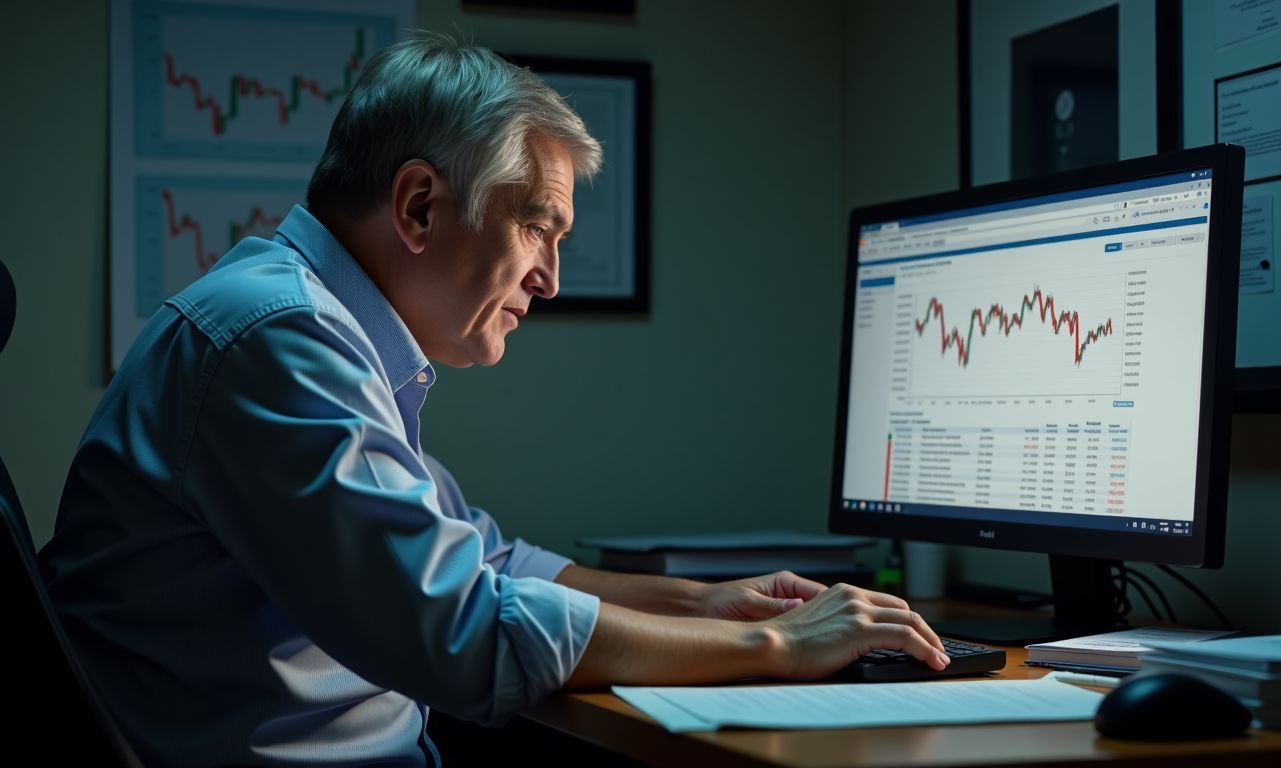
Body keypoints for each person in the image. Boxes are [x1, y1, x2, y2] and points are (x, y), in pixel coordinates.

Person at [39, 34, 948, 766]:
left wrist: (708, 607)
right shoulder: (278, 337)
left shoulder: (314, 330)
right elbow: (463, 629)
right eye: (536, 227)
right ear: (421, 207)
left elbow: (485, 558)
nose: (550, 279)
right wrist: (779, 652)